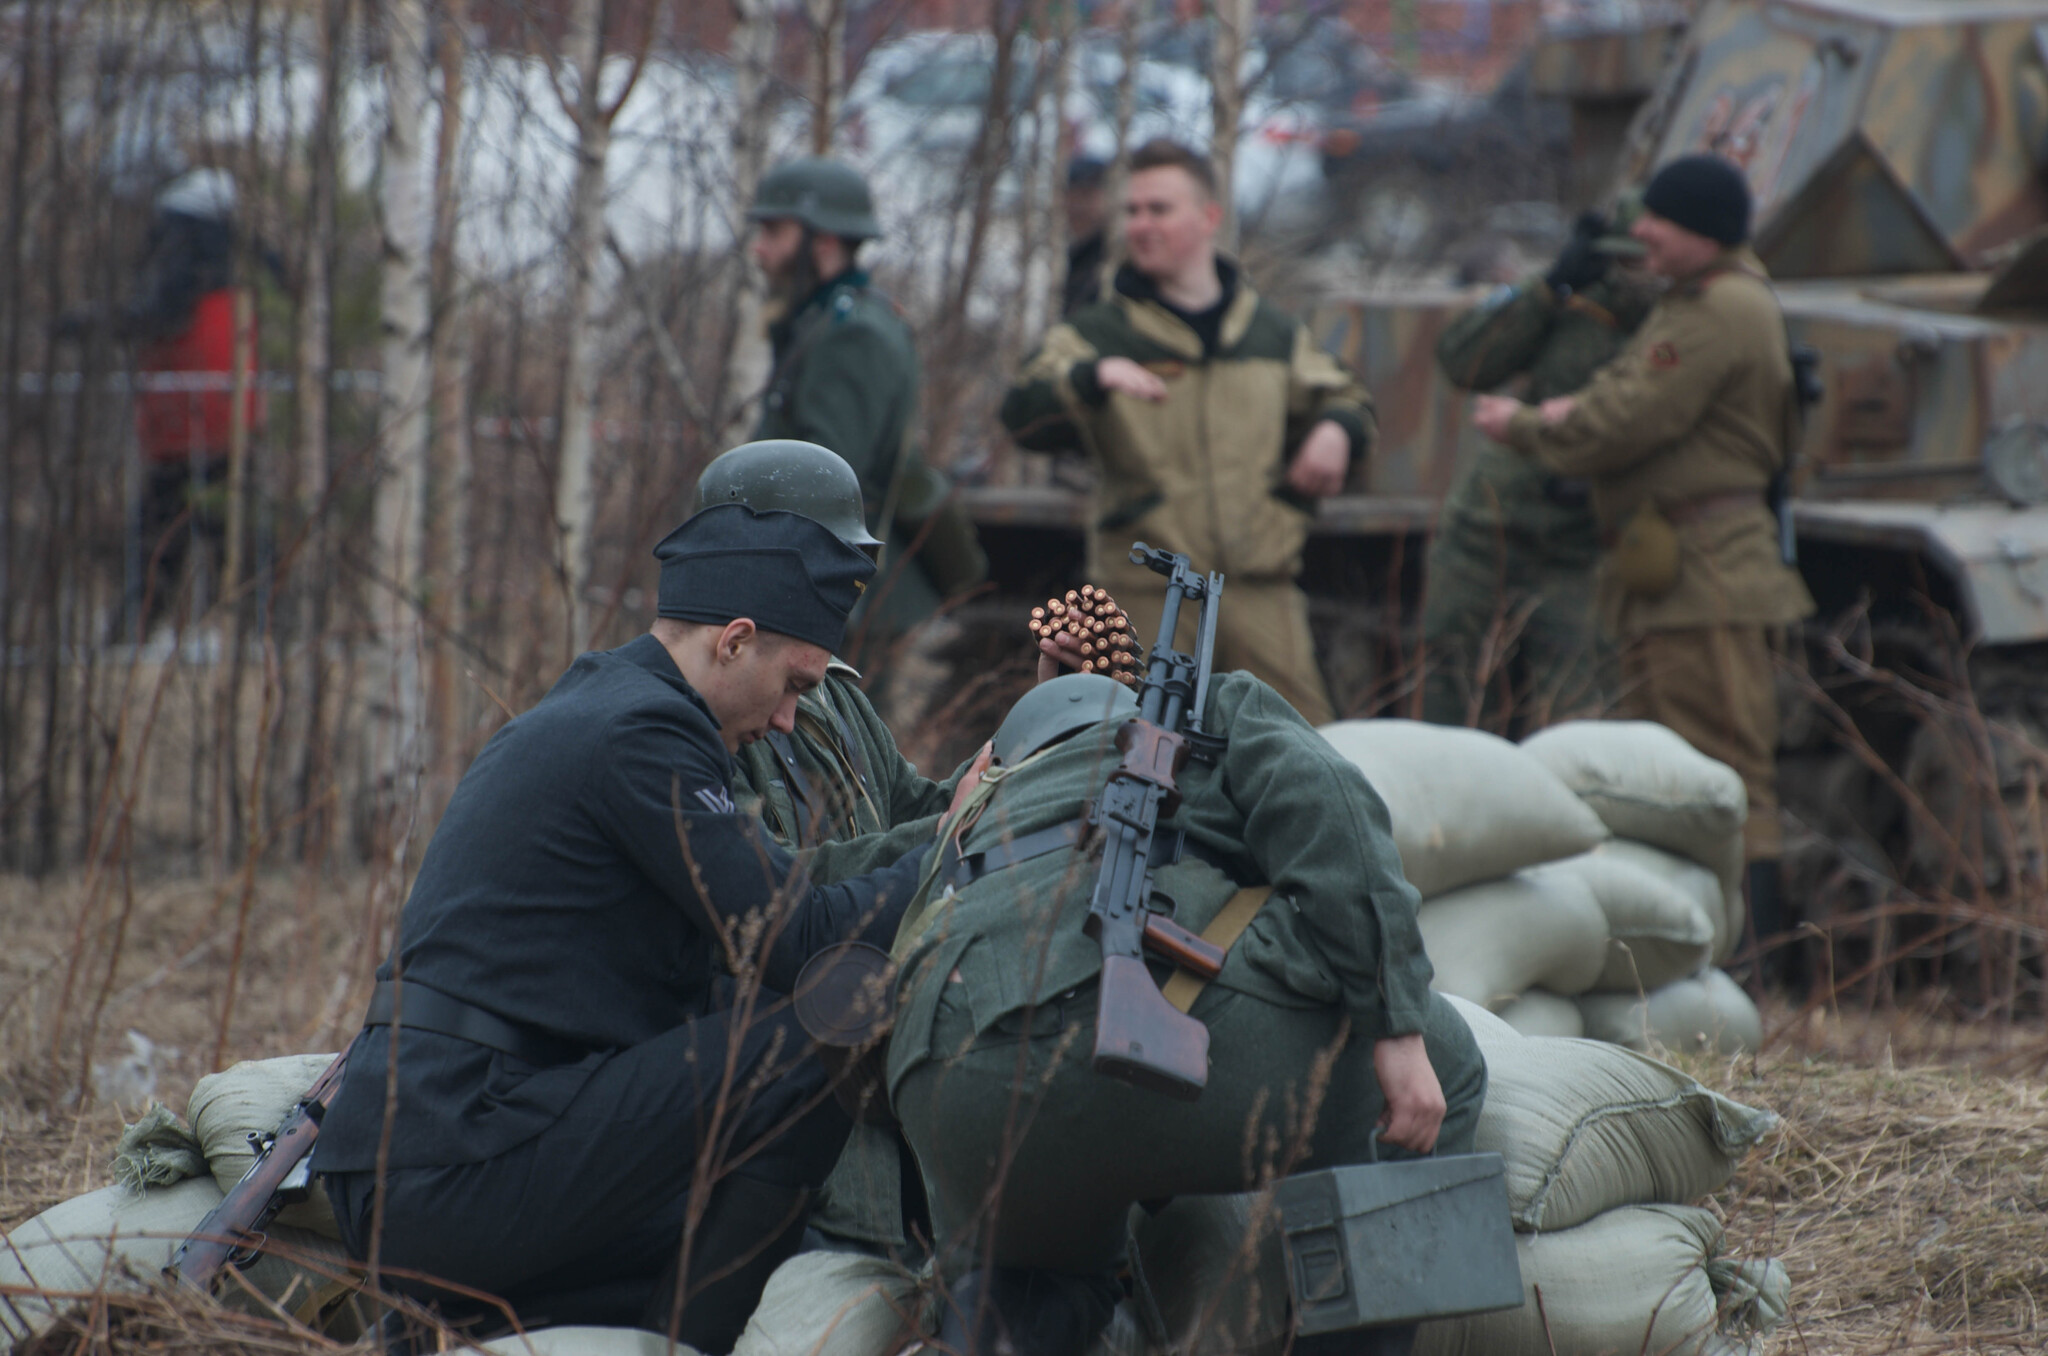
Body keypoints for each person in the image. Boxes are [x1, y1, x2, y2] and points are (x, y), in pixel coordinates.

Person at [311, 505, 957, 1350]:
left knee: (755, 1246)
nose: (793, 719)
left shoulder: (604, 704)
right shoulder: (643, 735)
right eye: (796, 684)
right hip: (458, 1160)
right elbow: (798, 938)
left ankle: (443, 1330)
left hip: (454, 1150)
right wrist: (964, 840)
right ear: (733, 641)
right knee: (830, 1016)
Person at [886, 670, 1487, 1356]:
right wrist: (1397, 1024)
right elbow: (1332, 808)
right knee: (1450, 1064)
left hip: (954, 1093)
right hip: (1126, 1038)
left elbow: (809, 909)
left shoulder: (964, 815)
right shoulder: (1208, 708)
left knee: (1034, 1283)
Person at [1470, 153, 1814, 985]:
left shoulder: (1717, 308)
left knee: (1724, 771)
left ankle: (1753, 966)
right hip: (1675, 569)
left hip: (1707, 572)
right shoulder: (1701, 301)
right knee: (1682, 769)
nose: (1643, 233)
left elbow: (1625, 416)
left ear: (1699, 228)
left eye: (1657, 219)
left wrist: (1527, 426)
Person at [999, 138, 1374, 726]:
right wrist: (1092, 375)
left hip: (1258, 589)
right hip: (1144, 594)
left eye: (1159, 209)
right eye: (1131, 211)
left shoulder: (1270, 334)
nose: (1141, 225)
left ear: (1208, 218)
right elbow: (1022, 409)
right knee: (1119, 757)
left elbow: (1346, 394)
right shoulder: (1101, 331)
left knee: (1303, 753)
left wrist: (1335, 429)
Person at [1422, 200, 1660, 732]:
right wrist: (1550, 286)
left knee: (1579, 718)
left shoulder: (1684, 322)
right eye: (1623, 262)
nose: (1635, 278)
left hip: (1587, 544)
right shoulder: (1575, 303)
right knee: (1450, 697)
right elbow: (1463, 360)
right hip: (1494, 525)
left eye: (1645, 261)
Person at [746, 157, 985, 676]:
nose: (759, 248)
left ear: (824, 242)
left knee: (830, 755)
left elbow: (827, 479)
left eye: (774, 231)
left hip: (840, 601)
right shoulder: (825, 319)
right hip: (828, 592)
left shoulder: (853, 333)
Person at [1061, 155, 1110, 317]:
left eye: (1086, 195)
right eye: (1071, 197)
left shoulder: (1111, 259)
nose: (1077, 207)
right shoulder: (1075, 257)